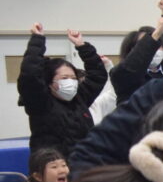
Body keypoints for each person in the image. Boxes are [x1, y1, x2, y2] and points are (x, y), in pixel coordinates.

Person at [18, 23, 107, 157]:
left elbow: (98, 75)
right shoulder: (40, 102)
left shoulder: (80, 98)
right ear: (49, 82)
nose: (70, 82)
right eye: (64, 77)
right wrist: (37, 40)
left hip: (83, 165)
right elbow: (30, 75)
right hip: (52, 167)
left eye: (73, 78)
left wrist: (82, 46)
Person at [109, 0, 163, 104]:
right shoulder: (121, 74)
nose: (154, 50)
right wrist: (156, 34)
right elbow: (134, 63)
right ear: (131, 50)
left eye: (158, 46)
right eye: (143, 44)